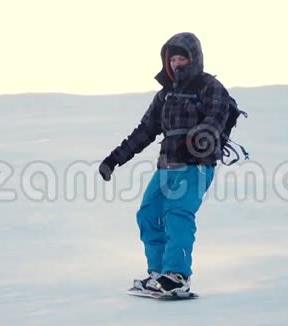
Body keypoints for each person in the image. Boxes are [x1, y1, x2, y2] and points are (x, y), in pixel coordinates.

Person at [98, 32, 232, 295]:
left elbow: (215, 119)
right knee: (148, 214)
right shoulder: (165, 95)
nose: (176, 64)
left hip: (196, 166)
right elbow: (144, 131)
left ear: (194, 59)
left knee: (178, 214)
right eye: (172, 59)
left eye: (182, 58)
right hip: (166, 167)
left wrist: (192, 142)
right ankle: (159, 274)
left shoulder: (209, 87)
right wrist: (114, 159)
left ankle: (178, 275)